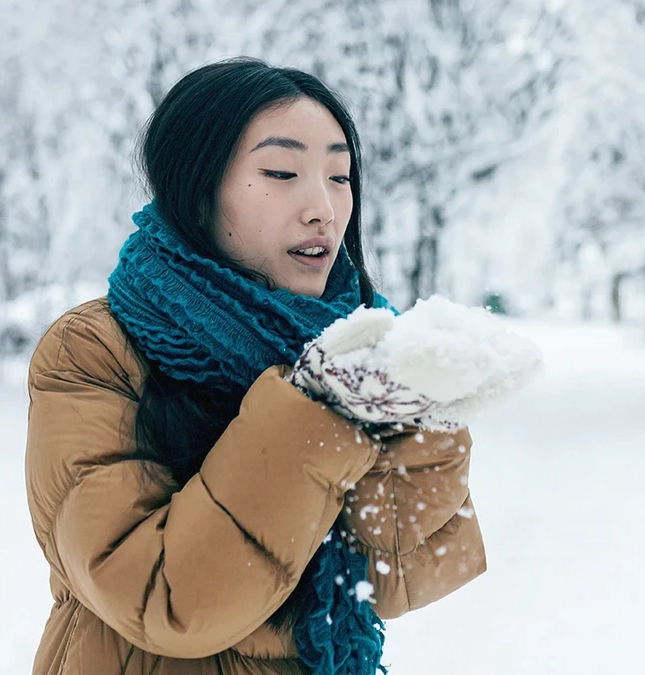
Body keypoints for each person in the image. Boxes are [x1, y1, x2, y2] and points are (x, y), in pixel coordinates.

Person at [24, 56, 487, 675]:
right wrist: (313, 409)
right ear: (197, 187)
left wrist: (426, 414)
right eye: (281, 171)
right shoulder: (96, 349)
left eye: (340, 177)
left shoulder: (357, 345)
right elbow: (167, 601)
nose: (323, 208)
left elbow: (401, 575)